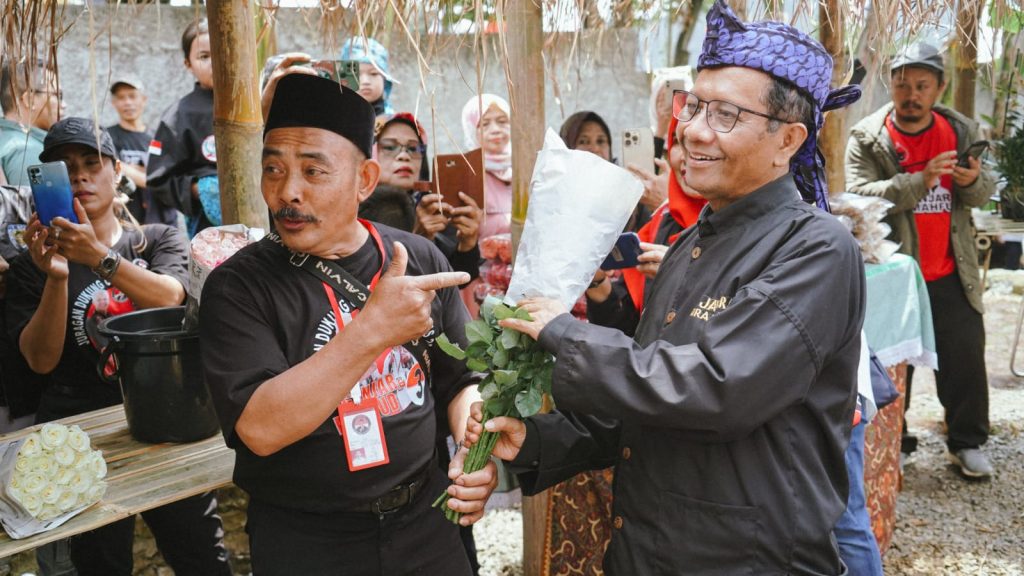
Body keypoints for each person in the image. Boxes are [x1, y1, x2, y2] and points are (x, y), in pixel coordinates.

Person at [457, 2, 865, 573]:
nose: (693, 130)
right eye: (693, 106)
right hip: (651, 547)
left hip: (746, 557)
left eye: (726, 114)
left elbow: (717, 389)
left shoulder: (817, 249)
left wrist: (564, 334)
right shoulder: (694, 240)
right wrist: (531, 443)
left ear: (788, 140)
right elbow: (643, 397)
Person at [199, 73, 497, 575]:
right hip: (308, 539)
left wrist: (475, 445)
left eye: (313, 172)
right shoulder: (239, 286)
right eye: (273, 169)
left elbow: (460, 380)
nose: (287, 191)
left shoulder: (414, 256)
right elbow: (260, 429)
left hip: (426, 522)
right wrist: (371, 331)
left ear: (365, 180)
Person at [4, 117, 231, 575]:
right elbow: (39, 360)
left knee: (202, 556)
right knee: (97, 565)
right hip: (75, 441)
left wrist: (99, 258)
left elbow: (173, 296)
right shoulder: (34, 263)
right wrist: (57, 277)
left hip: (165, 426)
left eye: (92, 163)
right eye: (63, 169)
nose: (80, 176)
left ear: (116, 172)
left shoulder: (154, 239)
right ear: (42, 181)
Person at [845, 42, 996, 478]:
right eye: (902, 83)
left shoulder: (960, 130)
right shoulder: (869, 137)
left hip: (952, 269)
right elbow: (856, 196)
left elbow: (982, 191)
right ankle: (898, 441)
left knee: (965, 357)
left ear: (939, 87)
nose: (911, 94)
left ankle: (967, 442)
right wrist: (919, 180)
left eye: (922, 86)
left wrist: (970, 181)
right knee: (893, 362)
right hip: (895, 274)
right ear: (890, 84)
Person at [363, 112, 483, 281]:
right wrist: (418, 239)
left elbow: (455, 282)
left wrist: (468, 243)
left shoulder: (434, 206)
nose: (404, 156)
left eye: (413, 148)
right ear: (370, 152)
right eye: (390, 147)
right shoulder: (354, 209)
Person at [147, 18, 218, 235]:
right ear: (188, 64)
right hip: (209, 225)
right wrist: (203, 191)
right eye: (204, 56)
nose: (214, 63)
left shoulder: (260, 102)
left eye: (220, 52)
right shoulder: (178, 115)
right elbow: (158, 178)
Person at [106, 76, 175, 226]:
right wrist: (151, 174)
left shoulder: (158, 137)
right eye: (121, 97)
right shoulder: (107, 137)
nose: (127, 102)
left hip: (163, 220)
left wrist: (128, 169)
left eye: (132, 96)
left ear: (143, 99)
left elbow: (171, 175)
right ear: (114, 103)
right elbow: (111, 167)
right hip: (126, 221)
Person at [0, 57, 64, 186]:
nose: (64, 105)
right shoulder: (27, 149)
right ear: (30, 100)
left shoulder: (5, 140)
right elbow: (37, 206)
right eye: (58, 95)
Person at [461, 94, 512, 240]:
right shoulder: (468, 173)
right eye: (484, 124)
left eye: (502, 121)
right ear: (471, 130)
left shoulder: (523, 168)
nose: (496, 129)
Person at [340, 37, 397, 116]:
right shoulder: (334, 119)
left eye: (373, 73)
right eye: (356, 74)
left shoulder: (395, 124)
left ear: (385, 79)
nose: (365, 81)